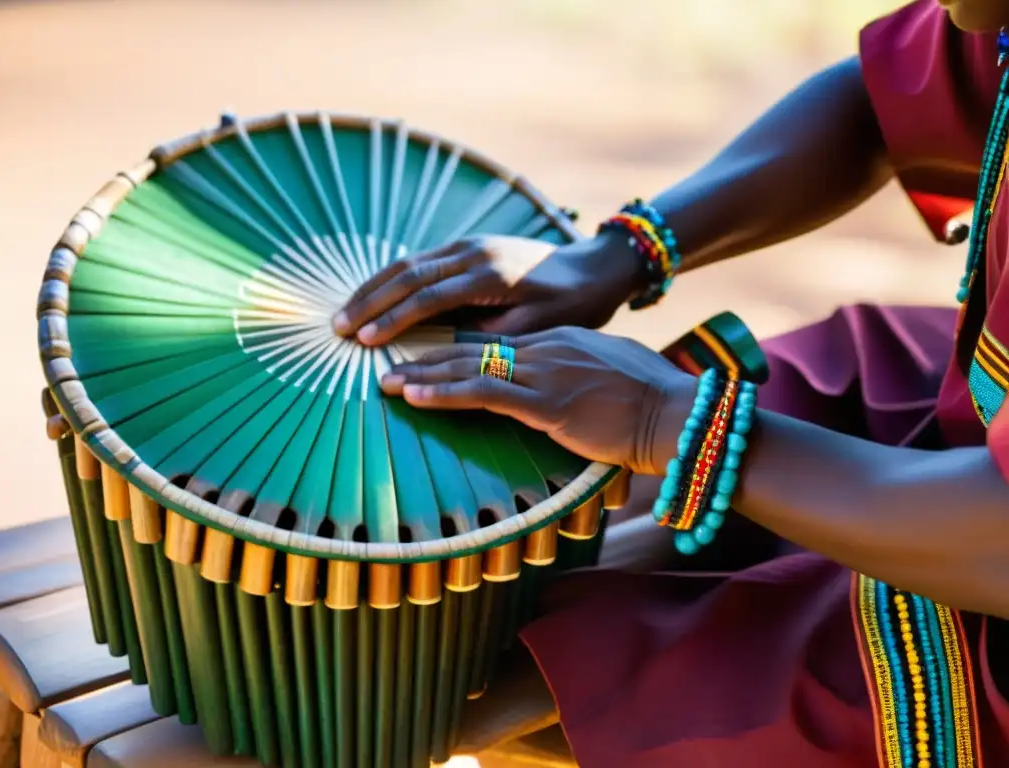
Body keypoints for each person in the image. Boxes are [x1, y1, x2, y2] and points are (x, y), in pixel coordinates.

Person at [333, 0, 1009, 764]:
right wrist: (617, 256)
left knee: (564, 675)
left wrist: (667, 418)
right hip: (963, 416)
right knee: (582, 511)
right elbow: (888, 96)